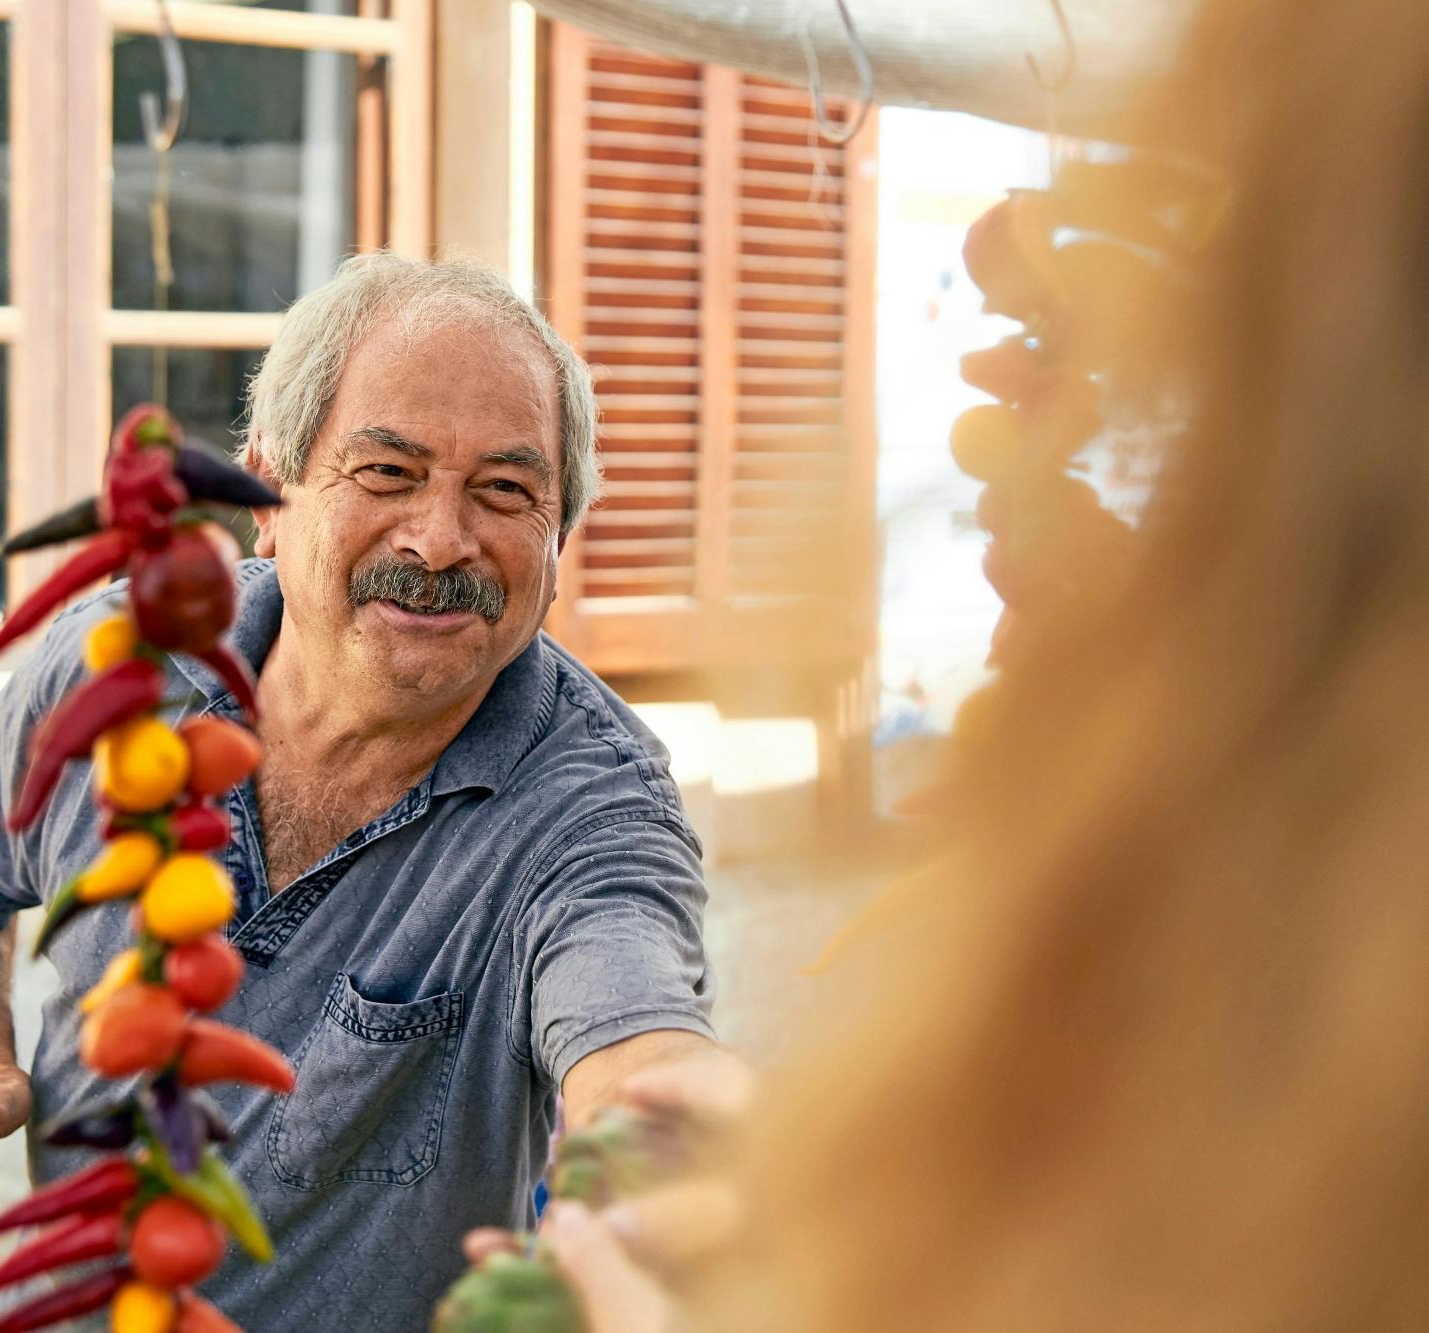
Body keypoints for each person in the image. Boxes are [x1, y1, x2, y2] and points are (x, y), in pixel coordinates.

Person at [527, 0, 1429, 1328]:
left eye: (512, 486)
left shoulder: (587, 765)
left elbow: (616, 957)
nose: (445, 533)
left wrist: (664, 1101)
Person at [0, 254, 729, 1328]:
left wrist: (682, 1123)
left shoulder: (588, 805)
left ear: (557, 542)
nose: (440, 540)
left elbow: (631, 1035)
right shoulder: (130, 659)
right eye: (386, 472)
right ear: (265, 496)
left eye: (505, 491)